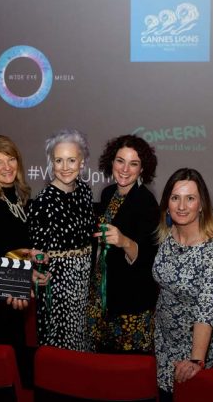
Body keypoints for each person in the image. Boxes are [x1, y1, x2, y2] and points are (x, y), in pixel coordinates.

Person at [152, 168, 213, 401]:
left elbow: (207, 307)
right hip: (164, 337)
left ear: (202, 204)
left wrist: (197, 359)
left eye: (190, 198)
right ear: (167, 202)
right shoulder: (165, 234)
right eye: (175, 198)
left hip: (196, 343)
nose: (181, 206)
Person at [0, 134, 49, 346]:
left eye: (11, 159)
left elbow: (13, 247)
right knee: (0, 356)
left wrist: (33, 260)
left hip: (17, 291)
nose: (7, 167)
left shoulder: (20, 197)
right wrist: (18, 280)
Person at [87, 134, 159, 353]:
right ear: (112, 162)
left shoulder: (146, 202)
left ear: (142, 169)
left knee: (128, 367)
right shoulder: (108, 193)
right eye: (120, 161)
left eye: (133, 163)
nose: (125, 169)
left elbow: (148, 258)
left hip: (131, 300)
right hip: (102, 293)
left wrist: (124, 241)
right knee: (100, 363)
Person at [28, 128, 94, 351]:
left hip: (84, 282)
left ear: (82, 162)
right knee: (60, 347)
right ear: (51, 163)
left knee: (81, 341)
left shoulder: (85, 191)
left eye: (71, 160)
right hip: (56, 286)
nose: (65, 167)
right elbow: (35, 252)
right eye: (59, 160)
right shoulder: (43, 202)